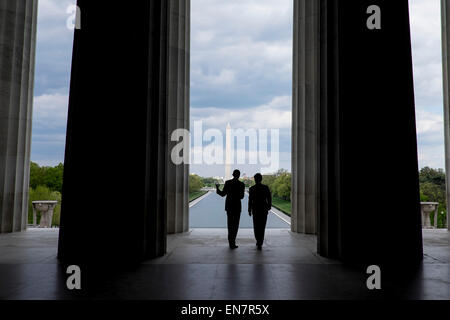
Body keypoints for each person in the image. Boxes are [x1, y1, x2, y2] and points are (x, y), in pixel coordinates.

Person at [216, 169, 245, 249]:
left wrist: (217, 189)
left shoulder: (228, 183)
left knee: (230, 225)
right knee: (235, 226)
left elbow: (222, 194)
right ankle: (233, 242)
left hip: (229, 207)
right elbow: (242, 197)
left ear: (232, 174)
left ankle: (230, 242)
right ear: (239, 175)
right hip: (237, 207)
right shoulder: (241, 184)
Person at [248, 173, 272, 250]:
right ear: (261, 179)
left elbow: (250, 200)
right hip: (263, 209)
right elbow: (269, 198)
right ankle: (260, 241)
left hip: (255, 210)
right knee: (262, 226)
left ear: (255, 179)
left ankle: (258, 240)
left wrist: (249, 209)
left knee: (256, 226)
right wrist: (269, 207)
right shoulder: (265, 187)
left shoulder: (252, 188)